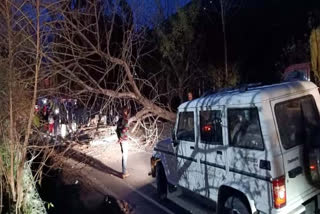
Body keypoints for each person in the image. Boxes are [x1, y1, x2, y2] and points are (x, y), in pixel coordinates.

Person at [117, 106, 130, 179]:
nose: (127, 113)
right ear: (125, 112)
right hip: (124, 140)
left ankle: (124, 171)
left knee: (124, 154)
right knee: (125, 155)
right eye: (126, 111)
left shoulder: (119, 120)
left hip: (121, 140)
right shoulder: (125, 120)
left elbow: (117, 130)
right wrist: (121, 138)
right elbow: (123, 130)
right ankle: (124, 172)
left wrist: (119, 138)